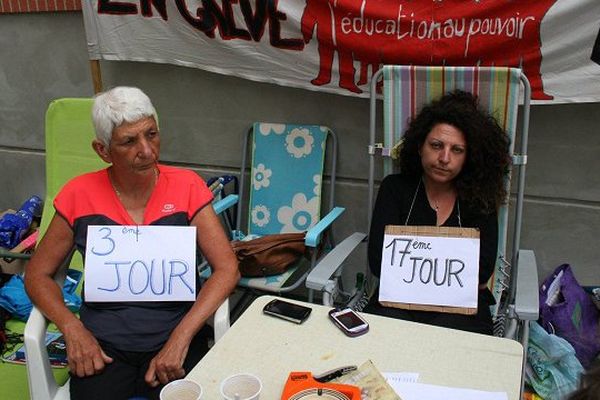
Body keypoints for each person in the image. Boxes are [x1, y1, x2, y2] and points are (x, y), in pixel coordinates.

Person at [24, 87, 240, 400]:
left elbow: (227, 268)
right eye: (129, 141)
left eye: (151, 134)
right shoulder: (78, 195)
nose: (148, 151)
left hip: (176, 339)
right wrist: (72, 329)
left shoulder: (187, 187)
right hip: (103, 349)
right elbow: (37, 274)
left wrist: (181, 338)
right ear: (103, 150)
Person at [365, 90, 511, 335]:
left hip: (461, 308)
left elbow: (482, 271)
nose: (444, 158)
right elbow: (379, 263)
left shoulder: (479, 199)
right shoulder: (395, 188)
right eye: (436, 146)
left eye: (457, 150)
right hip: (397, 303)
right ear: (420, 147)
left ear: (469, 157)